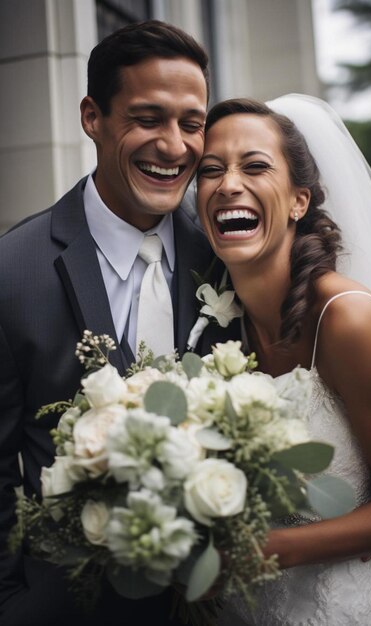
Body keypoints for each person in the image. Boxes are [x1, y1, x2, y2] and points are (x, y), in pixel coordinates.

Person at [0, 20, 238, 626]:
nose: (175, 146)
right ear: (92, 117)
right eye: (147, 118)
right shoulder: (14, 268)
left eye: (191, 123)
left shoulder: (230, 256)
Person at [196, 95, 371, 625]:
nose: (228, 183)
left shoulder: (348, 320)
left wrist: (274, 551)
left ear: (299, 201)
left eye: (254, 166)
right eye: (210, 170)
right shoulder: (209, 327)